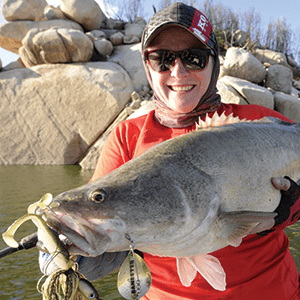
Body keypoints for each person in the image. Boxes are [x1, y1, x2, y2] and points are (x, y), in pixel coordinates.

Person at [40, 2, 300, 299]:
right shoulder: (127, 136)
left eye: (194, 58)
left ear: (213, 63)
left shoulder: (260, 123)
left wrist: (289, 210)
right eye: (161, 59)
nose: (178, 71)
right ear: (147, 67)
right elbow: (106, 223)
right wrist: (72, 252)